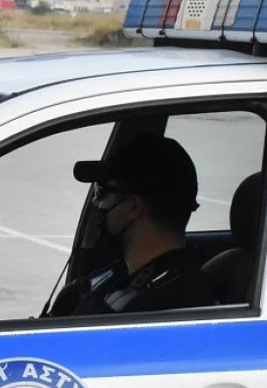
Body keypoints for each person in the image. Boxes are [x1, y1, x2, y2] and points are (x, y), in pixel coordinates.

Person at [46, 133, 219, 317]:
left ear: (134, 207)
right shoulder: (121, 278)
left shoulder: (164, 306)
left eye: (101, 191)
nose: (96, 202)